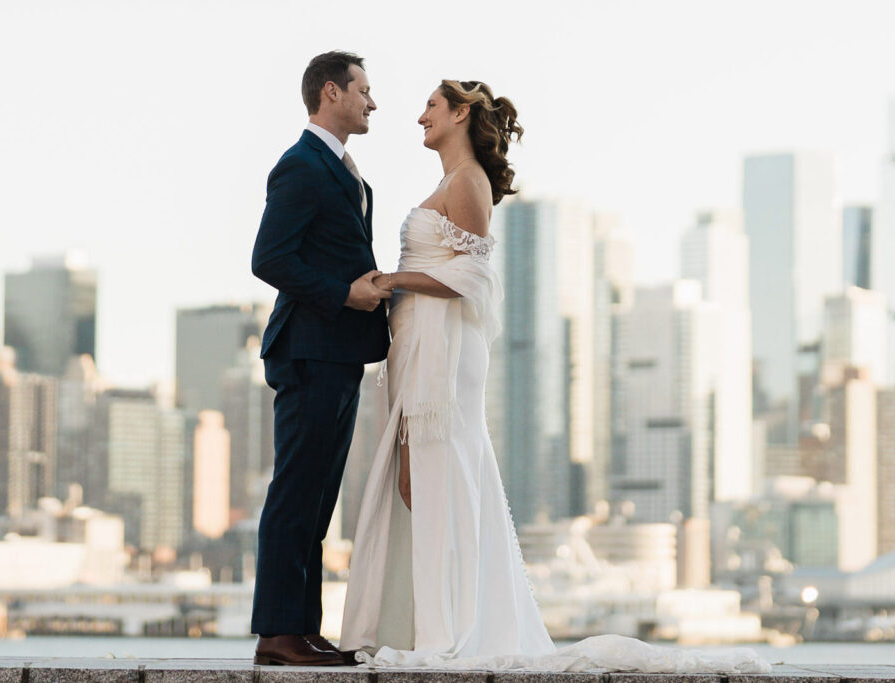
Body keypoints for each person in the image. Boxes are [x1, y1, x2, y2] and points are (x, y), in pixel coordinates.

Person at [339, 80, 770, 674]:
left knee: (442, 479)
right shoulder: (444, 184)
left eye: (431, 107)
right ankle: (426, 618)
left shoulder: (468, 184)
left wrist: (392, 281)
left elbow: (475, 280)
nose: (419, 117)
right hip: (415, 345)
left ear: (460, 114)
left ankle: (452, 626)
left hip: (445, 354)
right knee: (415, 482)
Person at [250, 51, 391, 667]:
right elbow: (269, 259)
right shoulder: (301, 167)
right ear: (331, 93)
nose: (372, 101)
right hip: (308, 351)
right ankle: (278, 635)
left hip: (338, 354)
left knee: (318, 499)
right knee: (296, 494)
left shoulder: (341, 170)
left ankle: (300, 630)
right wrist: (344, 294)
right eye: (363, 89)